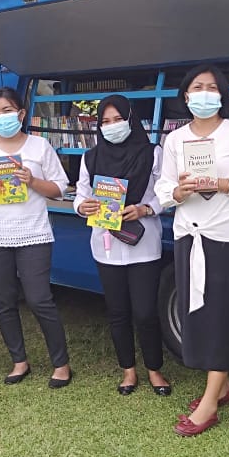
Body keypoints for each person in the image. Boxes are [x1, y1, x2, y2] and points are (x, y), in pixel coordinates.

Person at [154, 65, 229, 436]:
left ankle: (209, 404)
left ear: (221, 95)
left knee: (224, 315)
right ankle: (222, 387)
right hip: (189, 235)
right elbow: (163, 188)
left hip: (228, 237)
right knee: (198, 314)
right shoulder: (176, 139)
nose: (204, 93)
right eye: (197, 87)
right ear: (185, 96)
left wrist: (222, 183)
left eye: (211, 87)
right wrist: (178, 192)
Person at [0, 87, 73, 388]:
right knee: (3, 301)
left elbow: (59, 188)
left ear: (21, 113)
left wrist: (32, 180)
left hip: (33, 233)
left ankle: (61, 363)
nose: (2, 117)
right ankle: (19, 361)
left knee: (39, 299)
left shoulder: (39, 147)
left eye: (7, 111)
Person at [74, 95, 171, 397]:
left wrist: (146, 208)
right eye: (105, 121)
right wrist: (82, 207)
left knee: (145, 311)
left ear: (131, 119)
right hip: (106, 244)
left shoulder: (153, 153)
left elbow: (166, 193)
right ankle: (128, 370)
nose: (112, 126)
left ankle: (154, 369)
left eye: (118, 119)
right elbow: (80, 195)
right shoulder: (91, 157)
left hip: (144, 242)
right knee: (117, 311)